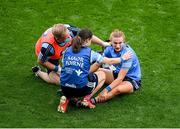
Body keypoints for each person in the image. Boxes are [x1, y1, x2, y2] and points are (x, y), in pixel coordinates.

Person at [57, 29, 131, 113]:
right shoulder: (90, 53)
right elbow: (109, 61)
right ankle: (86, 99)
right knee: (102, 74)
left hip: (63, 87)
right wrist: (122, 58)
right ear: (88, 40)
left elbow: (64, 67)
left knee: (73, 75)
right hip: (81, 89)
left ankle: (66, 98)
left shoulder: (67, 50)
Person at [32, 23, 111, 85]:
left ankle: (95, 57)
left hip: (60, 49)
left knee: (79, 44)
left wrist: (103, 43)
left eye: (69, 35)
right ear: (58, 38)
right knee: (61, 81)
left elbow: (87, 36)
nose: (70, 38)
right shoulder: (48, 48)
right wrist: (58, 69)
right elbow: (41, 61)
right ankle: (38, 72)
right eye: (66, 38)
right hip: (51, 56)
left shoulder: (70, 29)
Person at [90, 29, 141, 104]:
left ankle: (91, 101)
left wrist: (105, 90)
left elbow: (120, 78)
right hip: (117, 73)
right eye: (115, 43)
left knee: (118, 89)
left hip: (131, 80)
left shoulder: (128, 54)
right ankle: (80, 90)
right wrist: (84, 74)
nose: (117, 46)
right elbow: (98, 63)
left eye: (120, 43)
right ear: (110, 42)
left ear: (123, 42)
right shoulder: (108, 49)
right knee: (97, 71)